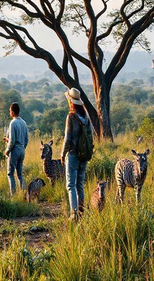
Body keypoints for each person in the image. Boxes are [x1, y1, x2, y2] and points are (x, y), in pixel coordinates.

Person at [61, 88, 91, 221]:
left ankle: (74, 214)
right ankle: (81, 211)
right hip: (84, 155)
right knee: (80, 184)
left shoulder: (71, 117)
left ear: (71, 102)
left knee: (70, 185)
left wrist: (62, 155)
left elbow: (67, 139)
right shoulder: (86, 117)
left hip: (73, 155)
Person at [4, 102, 29, 196]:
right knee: (20, 174)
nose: (9, 112)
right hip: (22, 149)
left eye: (10, 110)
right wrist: (22, 147)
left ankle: (13, 195)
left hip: (14, 150)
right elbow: (26, 138)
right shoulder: (23, 122)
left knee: (10, 174)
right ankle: (25, 193)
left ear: (13, 112)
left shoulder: (13, 123)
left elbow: (12, 140)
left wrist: (7, 151)